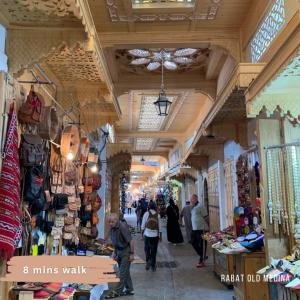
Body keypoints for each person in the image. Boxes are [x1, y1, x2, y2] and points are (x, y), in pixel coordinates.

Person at [105, 214, 135, 299]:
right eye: (109, 222)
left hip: (126, 251)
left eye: (112, 221)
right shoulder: (112, 228)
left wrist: (132, 254)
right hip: (119, 251)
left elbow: (131, 241)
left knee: (122, 273)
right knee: (125, 271)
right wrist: (114, 252)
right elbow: (115, 241)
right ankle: (130, 289)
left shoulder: (123, 227)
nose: (110, 223)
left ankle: (117, 291)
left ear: (117, 221)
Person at [141, 202, 162, 272]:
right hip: (155, 235)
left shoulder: (146, 214)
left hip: (147, 234)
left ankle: (148, 262)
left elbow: (143, 225)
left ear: (149, 207)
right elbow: (160, 227)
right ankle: (153, 265)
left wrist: (142, 234)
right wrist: (160, 236)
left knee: (147, 249)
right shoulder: (157, 215)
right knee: (154, 250)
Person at [190, 194, 209, 268]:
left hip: (202, 229)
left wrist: (208, 227)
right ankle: (202, 255)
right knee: (193, 242)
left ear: (195, 199)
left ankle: (201, 260)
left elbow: (206, 217)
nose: (191, 200)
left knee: (202, 245)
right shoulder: (193, 207)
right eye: (191, 199)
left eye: (192, 199)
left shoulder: (201, 206)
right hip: (194, 229)